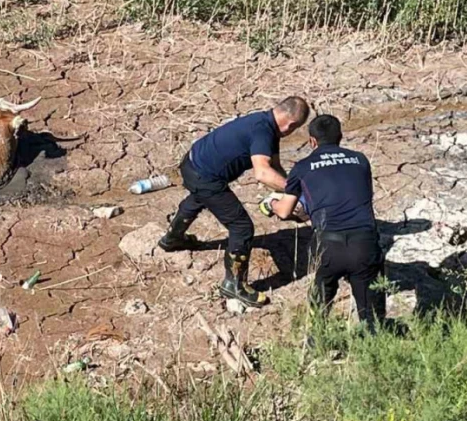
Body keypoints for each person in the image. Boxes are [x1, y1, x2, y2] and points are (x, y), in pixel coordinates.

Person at [158, 97, 310, 308]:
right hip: (205, 176)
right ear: (292, 125)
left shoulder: (265, 122)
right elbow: (263, 173)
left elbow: (274, 166)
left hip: (192, 161)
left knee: (198, 197)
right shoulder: (263, 132)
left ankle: (172, 238)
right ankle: (234, 285)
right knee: (242, 227)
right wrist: (296, 191)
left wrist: (289, 195)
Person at [268, 114, 387, 330]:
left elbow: (285, 212)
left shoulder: (302, 167)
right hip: (364, 244)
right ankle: (373, 346)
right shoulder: (360, 160)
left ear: (312, 141)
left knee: (320, 306)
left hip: (328, 247)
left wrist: (271, 205)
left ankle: (316, 344)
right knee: (373, 321)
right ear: (340, 136)